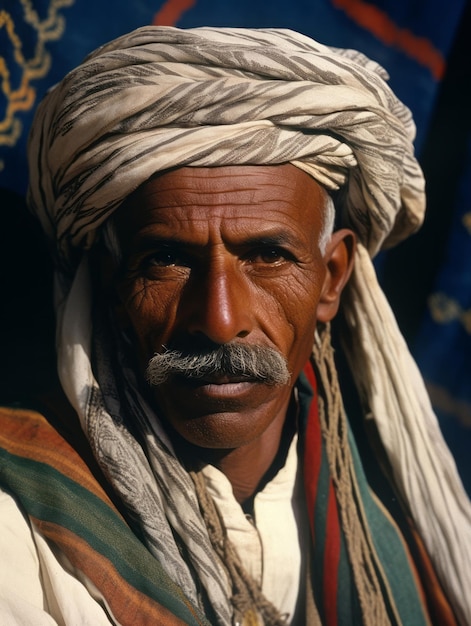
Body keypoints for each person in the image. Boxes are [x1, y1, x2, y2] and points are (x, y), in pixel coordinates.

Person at [0, 26, 469, 626]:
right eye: (167, 260)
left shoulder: (414, 529)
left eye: (268, 257)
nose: (219, 322)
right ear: (113, 284)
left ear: (332, 278)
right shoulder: (19, 517)